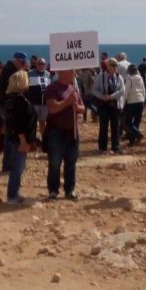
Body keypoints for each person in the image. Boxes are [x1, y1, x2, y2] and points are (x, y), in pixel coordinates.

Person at [45, 69, 84, 200]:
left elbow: (82, 108)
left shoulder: (72, 88)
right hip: (56, 131)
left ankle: (70, 190)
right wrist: (67, 102)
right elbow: (52, 108)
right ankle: (53, 190)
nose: (75, 74)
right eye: (72, 72)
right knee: (55, 162)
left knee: (71, 162)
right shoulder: (52, 88)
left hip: (72, 131)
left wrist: (77, 108)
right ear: (63, 73)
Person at [3, 70, 37, 204]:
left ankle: (14, 193)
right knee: (17, 168)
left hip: (11, 138)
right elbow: (20, 124)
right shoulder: (20, 101)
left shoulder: (10, 99)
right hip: (19, 139)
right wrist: (23, 141)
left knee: (15, 168)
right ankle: (12, 196)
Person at [0, 52, 28, 172]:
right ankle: (10, 164)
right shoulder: (11, 71)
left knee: (10, 134)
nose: (24, 65)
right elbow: (13, 90)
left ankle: (9, 164)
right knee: (12, 135)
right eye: (23, 62)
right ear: (18, 60)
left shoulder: (9, 68)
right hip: (9, 105)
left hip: (6, 105)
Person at [92, 58, 125, 154]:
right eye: (113, 65)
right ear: (107, 66)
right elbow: (94, 90)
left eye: (116, 65)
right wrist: (102, 96)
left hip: (115, 105)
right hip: (104, 106)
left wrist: (111, 97)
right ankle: (102, 148)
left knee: (115, 126)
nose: (115, 67)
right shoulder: (100, 77)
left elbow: (122, 90)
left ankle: (116, 147)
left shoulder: (119, 77)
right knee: (103, 126)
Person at [27, 58, 52, 138]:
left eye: (43, 64)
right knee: (32, 123)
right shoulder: (29, 73)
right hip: (34, 103)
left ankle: (43, 140)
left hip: (44, 104)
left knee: (43, 122)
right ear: (36, 64)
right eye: (39, 63)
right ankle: (32, 141)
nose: (41, 65)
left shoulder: (48, 75)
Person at [123, 64, 146, 146]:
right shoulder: (140, 79)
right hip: (141, 101)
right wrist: (144, 101)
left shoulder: (129, 79)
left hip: (132, 102)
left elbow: (125, 93)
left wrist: (122, 104)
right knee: (136, 122)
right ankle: (132, 141)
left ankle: (138, 135)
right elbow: (143, 90)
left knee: (128, 122)